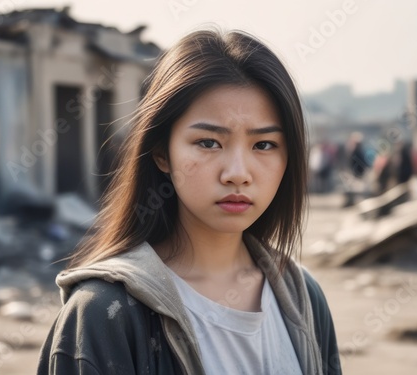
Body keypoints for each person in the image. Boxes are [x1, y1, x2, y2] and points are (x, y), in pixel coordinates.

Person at [37, 28, 342, 375]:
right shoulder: (104, 315)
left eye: (263, 145)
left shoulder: (303, 298)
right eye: (209, 142)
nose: (238, 174)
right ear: (161, 153)